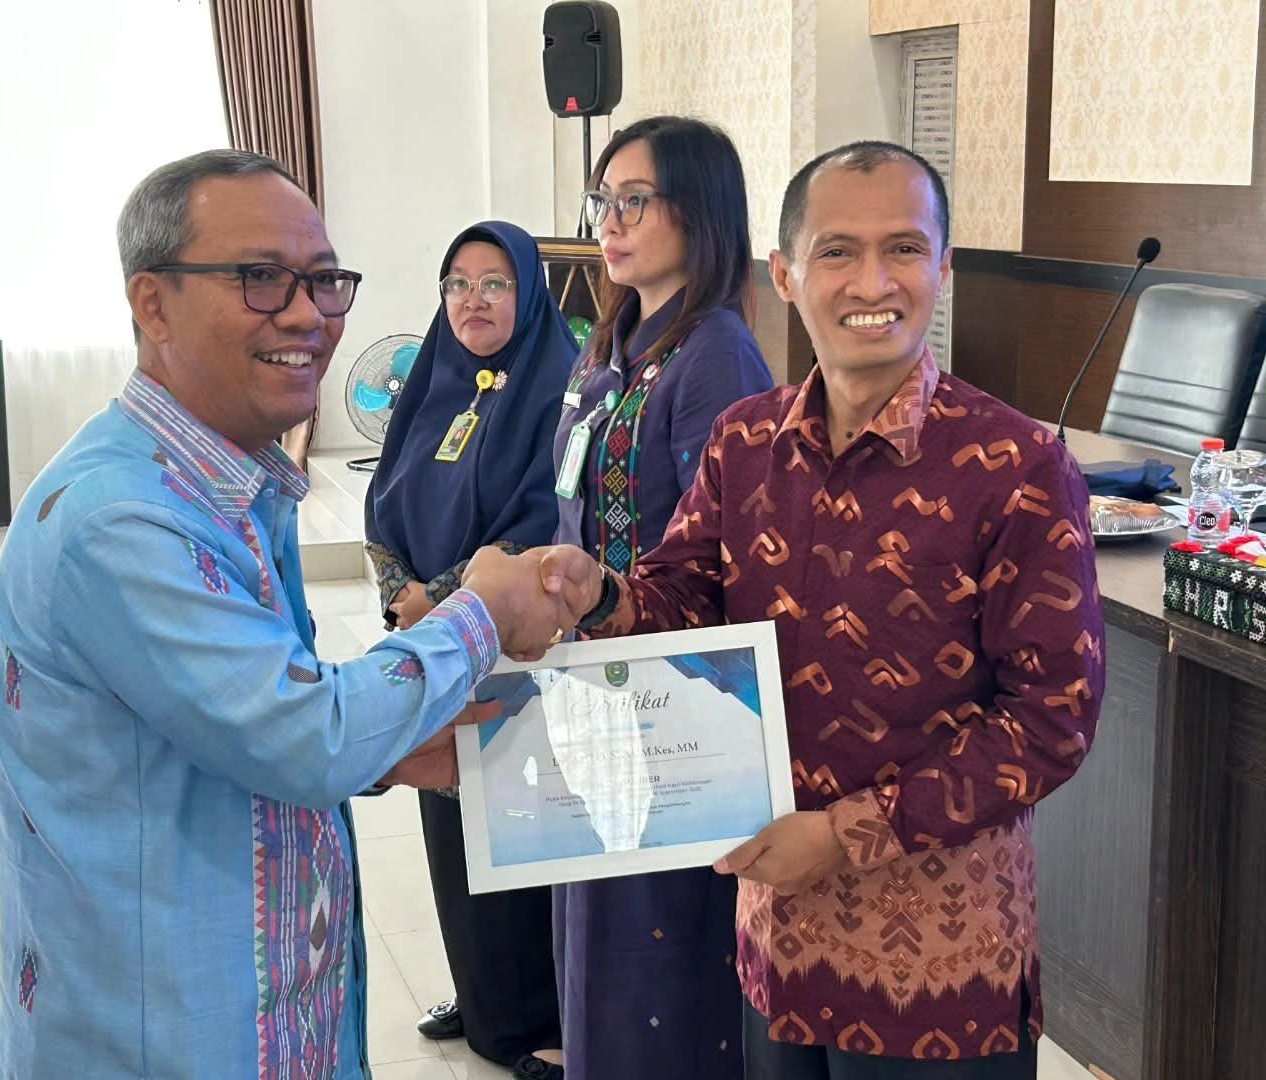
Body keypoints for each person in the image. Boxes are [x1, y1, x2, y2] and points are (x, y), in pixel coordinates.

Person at [0, 149, 568, 1079]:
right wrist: (482, 610)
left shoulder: (234, 487)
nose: (307, 315)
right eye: (260, 278)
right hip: (168, 1044)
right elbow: (307, 733)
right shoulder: (123, 519)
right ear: (152, 304)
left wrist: (381, 753)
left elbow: (246, 710)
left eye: (324, 281)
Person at [532, 141, 1104, 1077]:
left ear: (945, 268)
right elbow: (685, 601)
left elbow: (1051, 721)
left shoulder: (1018, 466)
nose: (872, 282)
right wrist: (598, 595)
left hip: (939, 962)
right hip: (781, 938)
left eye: (904, 249)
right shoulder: (745, 441)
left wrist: (846, 837)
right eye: (837, 250)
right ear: (787, 274)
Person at [549, 115, 774, 1079]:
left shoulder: (715, 354)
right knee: (597, 942)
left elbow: (725, 557)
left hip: (671, 700)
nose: (610, 221)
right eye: (603, 201)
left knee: (658, 958)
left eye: (634, 201)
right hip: (594, 680)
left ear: (700, 211)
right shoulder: (616, 339)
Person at [365, 221, 574, 1078]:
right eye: (457, 283)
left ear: (529, 295)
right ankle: (480, 993)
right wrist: (401, 594)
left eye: (495, 283)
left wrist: (445, 596)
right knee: (448, 824)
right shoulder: (434, 383)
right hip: (434, 644)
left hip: (515, 646)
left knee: (514, 827)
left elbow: (542, 513)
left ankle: (539, 1017)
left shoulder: (555, 386)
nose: (472, 300)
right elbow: (383, 498)